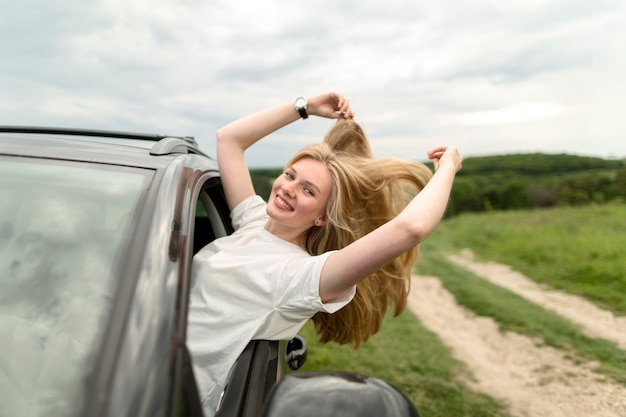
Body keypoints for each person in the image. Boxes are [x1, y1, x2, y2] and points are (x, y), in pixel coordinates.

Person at [187, 92, 463, 416]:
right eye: (290, 174)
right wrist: (305, 108)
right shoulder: (253, 221)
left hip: (171, 395)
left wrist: (448, 168)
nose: (289, 187)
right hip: (135, 351)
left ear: (321, 216)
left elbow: (410, 228)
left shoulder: (300, 275)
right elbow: (228, 140)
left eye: (308, 190)